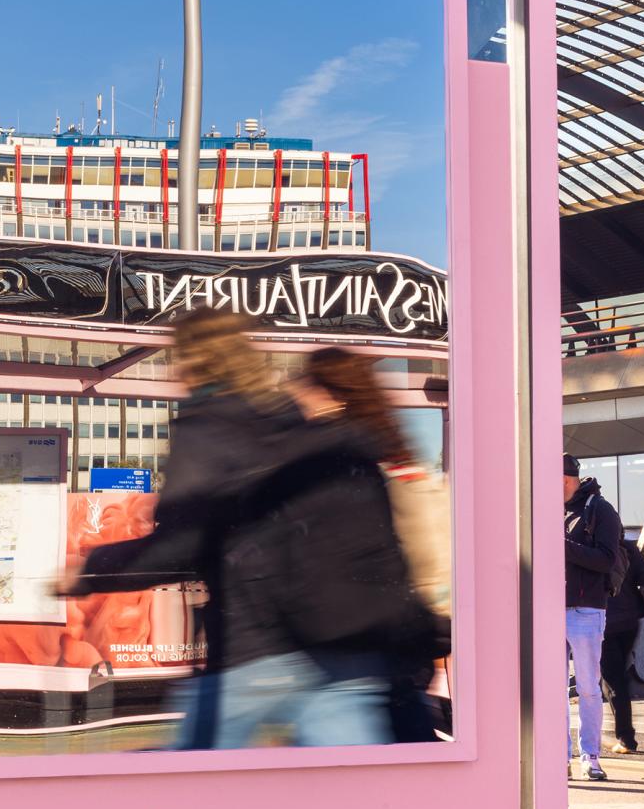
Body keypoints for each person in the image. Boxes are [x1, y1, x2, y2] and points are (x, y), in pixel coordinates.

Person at [64, 310, 422, 749]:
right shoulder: (295, 423)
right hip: (338, 647)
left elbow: (182, 544)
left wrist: (89, 570)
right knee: (351, 792)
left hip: (252, 650)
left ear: (192, 361)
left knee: (192, 792)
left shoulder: (210, 427)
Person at [297, 347, 450, 742]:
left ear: (329, 392)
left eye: (307, 386)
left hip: (366, 635)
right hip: (401, 631)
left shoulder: (346, 459)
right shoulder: (396, 457)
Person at [564, 454, 622, 780]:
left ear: (573, 480)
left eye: (562, 482)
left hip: (586, 611)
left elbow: (607, 560)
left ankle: (590, 755)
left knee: (587, 688)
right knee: (552, 690)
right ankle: (560, 756)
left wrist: (563, 547)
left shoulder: (600, 510)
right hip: (549, 609)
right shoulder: (547, 509)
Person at [601, 536, 644, 755]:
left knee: (612, 682)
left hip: (603, 622)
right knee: (617, 678)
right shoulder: (627, 548)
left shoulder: (593, 545)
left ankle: (626, 738)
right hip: (629, 622)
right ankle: (625, 735)